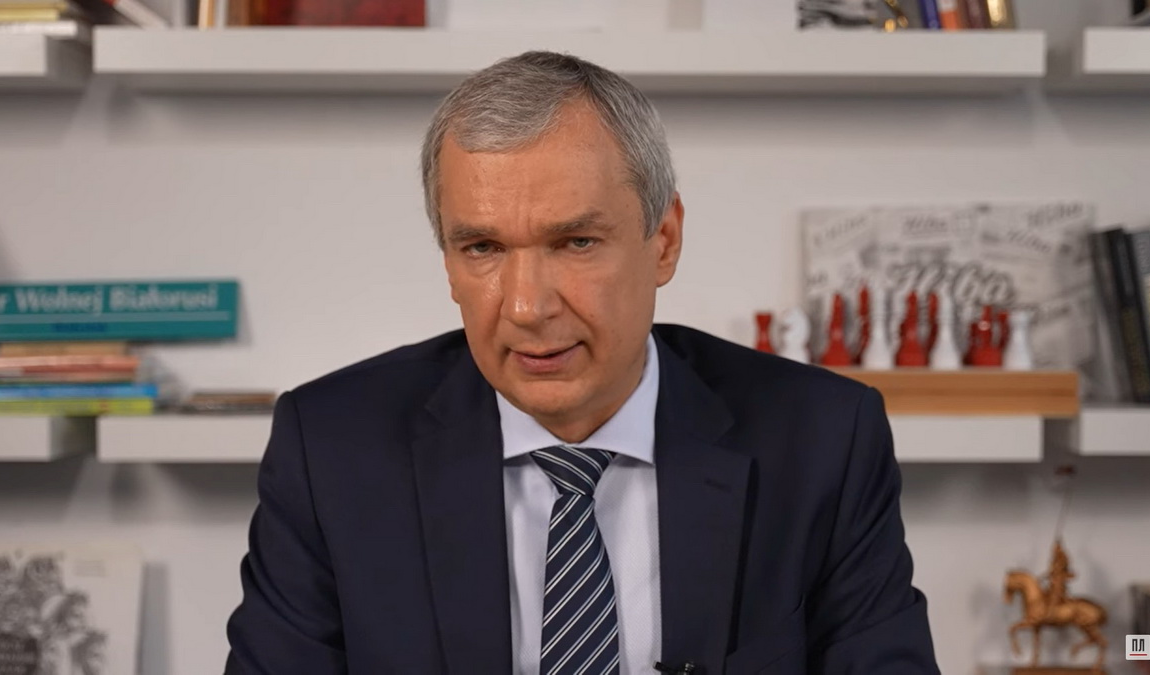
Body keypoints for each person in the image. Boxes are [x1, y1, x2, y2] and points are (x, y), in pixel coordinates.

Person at [225, 50, 939, 674]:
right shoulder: (330, 449)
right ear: (448, 259)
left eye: (575, 243)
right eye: (482, 248)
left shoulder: (824, 439)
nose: (527, 306)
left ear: (664, 241)